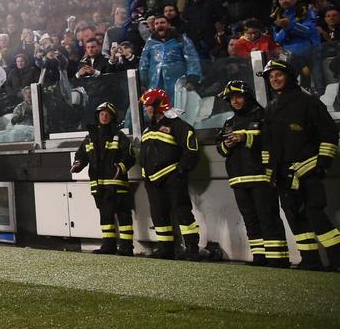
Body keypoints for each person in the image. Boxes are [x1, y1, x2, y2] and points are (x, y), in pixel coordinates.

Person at [259, 59, 339, 270]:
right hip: (283, 175)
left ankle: (337, 259)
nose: (274, 79)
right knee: (295, 217)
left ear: (289, 76)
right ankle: (310, 261)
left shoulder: (309, 102)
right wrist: (271, 173)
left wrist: (321, 164)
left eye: (278, 75)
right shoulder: (271, 108)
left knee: (315, 213)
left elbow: (329, 133)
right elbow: (268, 145)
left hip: (308, 171)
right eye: (271, 77)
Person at [215, 80, 288, 267]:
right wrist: (226, 144)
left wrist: (245, 137)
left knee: (268, 216)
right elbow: (220, 149)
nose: (234, 101)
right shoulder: (229, 123)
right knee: (250, 219)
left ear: (247, 97)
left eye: (238, 97)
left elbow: (272, 141)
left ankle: (278, 258)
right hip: (239, 179)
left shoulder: (263, 116)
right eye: (231, 99)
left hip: (261, 177)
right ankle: (260, 257)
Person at [137, 88, 202, 260]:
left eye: (148, 105)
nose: (145, 108)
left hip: (173, 178)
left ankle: (192, 248)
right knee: (158, 214)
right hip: (152, 182)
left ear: (159, 105)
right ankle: (165, 248)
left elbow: (191, 152)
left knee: (182, 212)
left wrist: (179, 172)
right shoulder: (148, 129)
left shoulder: (179, 126)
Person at [71, 103, 136, 256]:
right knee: (105, 216)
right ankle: (108, 245)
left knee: (123, 216)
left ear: (112, 117)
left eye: (107, 114)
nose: (104, 116)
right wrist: (78, 164)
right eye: (101, 114)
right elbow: (81, 155)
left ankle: (127, 247)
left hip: (117, 185)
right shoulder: (90, 137)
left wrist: (121, 167)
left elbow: (130, 156)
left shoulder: (119, 136)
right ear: (97, 116)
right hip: (99, 186)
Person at [138, 16, 202, 107]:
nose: (159, 25)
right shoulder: (150, 43)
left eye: (162, 23)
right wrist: (142, 82)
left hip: (178, 84)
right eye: (156, 23)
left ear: (169, 24)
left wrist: (192, 79)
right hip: (155, 84)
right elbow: (143, 63)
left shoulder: (181, 39)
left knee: (177, 108)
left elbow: (192, 58)